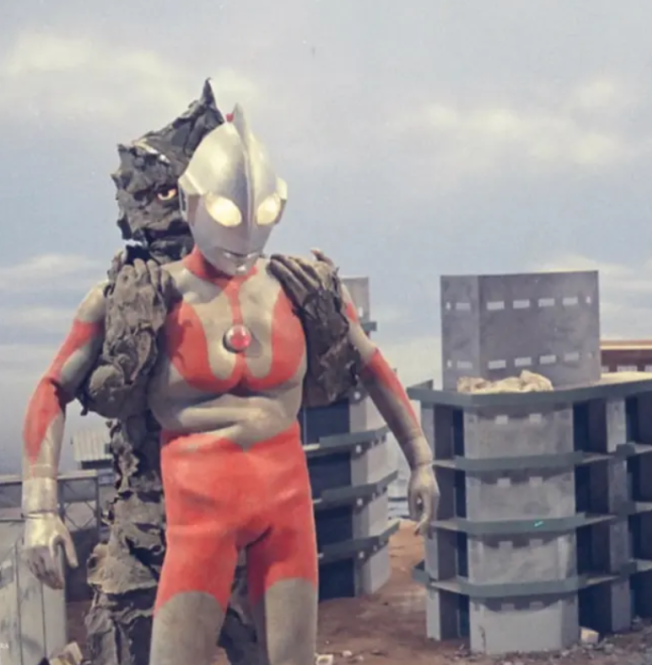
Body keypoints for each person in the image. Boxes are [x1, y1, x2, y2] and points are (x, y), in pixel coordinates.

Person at [19, 105, 440, 665]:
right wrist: (40, 507)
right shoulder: (141, 296)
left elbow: (373, 364)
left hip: (286, 517)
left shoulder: (301, 288)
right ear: (191, 203)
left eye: (262, 213)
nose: (243, 235)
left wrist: (420, 458)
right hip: (196, 523)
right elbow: (53, 386)